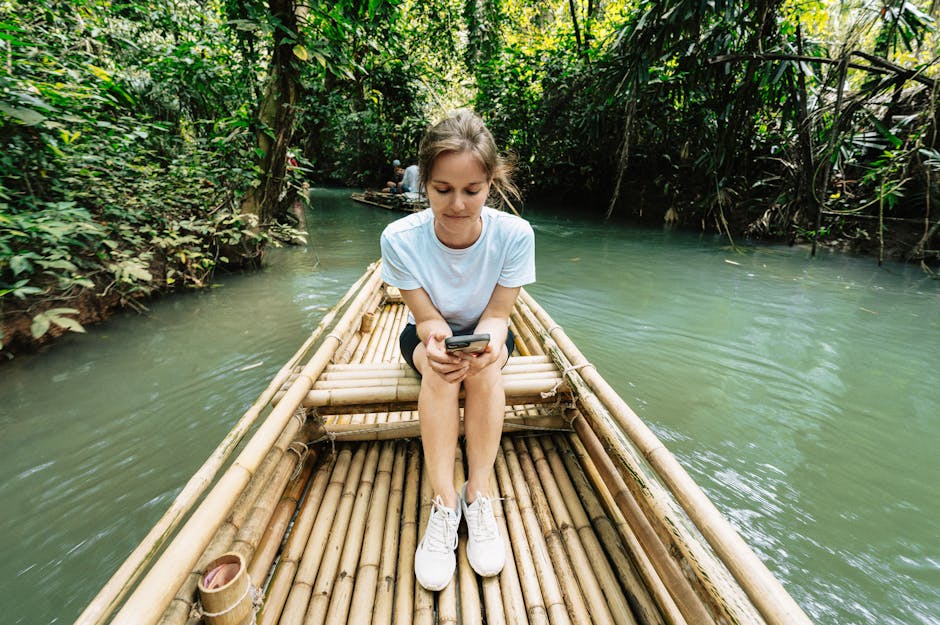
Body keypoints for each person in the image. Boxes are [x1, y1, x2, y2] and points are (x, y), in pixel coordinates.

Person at [380, 110, 535, 591]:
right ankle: (445, 502)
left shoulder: (515, 235)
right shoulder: (399, 239)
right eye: (443, 189)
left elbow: (498, 316)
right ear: (423, 183)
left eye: (472, 190)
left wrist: (485, 346)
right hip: (426, 335)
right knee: (441, 371)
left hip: (488, 332)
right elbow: (426, 320)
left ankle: (478, 493)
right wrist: (438, 344)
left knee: (485, 372)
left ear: (491, 184)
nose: (458, 204)